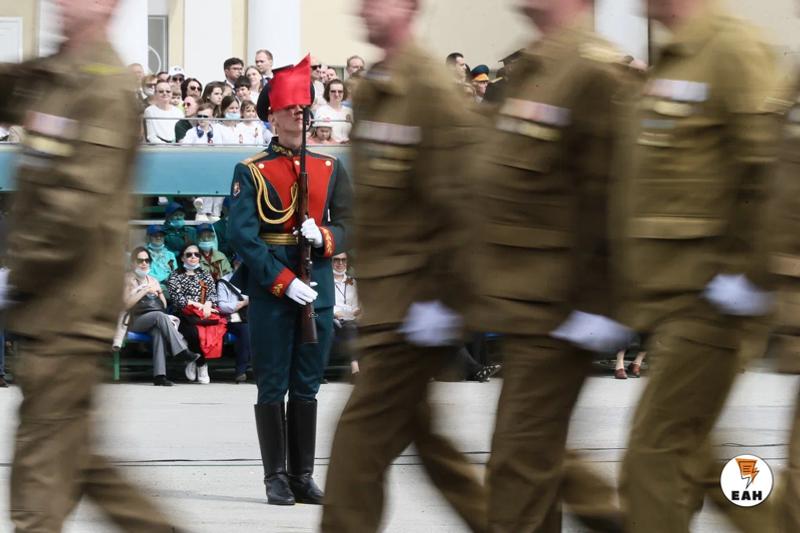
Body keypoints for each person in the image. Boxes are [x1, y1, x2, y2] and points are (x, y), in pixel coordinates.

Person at [0, 0, 179, 529]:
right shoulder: (57, 73)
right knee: (77, 457)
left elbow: (76, 207)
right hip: (50, 303)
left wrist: (20, 273)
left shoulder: (104, 89)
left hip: (69, 303)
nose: (61, 3)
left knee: (40, 471)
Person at [471, 0, 639, 531]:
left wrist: (598, 306)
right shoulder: (529, 69)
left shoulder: (594, 69)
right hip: (522, 304)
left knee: (518, 465)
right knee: (532, 463)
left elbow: (618, 192)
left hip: (562, 308)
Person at [320, 1, 486, 531]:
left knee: (355, 451)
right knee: (434, 450)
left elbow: (462, 207)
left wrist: (443, 303)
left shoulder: (432, 92)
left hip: (417, 309)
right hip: (385, 304)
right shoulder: (375, 89)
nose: (364, 9)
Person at [617, 1, 781, 532]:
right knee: (692, 457)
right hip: (672, 297)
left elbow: (771, 171)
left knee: (652, 455)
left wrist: (746, 279)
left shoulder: (731, 48)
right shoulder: (677, 55)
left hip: (711, 299)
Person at [228, 54, 353, 507]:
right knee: (272, 385)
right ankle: (275, 476)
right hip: (273, 291)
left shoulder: (329, 167)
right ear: (271, 115)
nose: (299, 113)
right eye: (289, 107)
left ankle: (302, 475)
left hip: (316, 286)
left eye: (304, 106)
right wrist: (282, 280)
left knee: (307, 385)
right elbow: (242, 237)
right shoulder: (251, 170)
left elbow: (351, 224)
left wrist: (324, 236)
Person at [124, 247, 200, 386]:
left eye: (147, 260)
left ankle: (160, 376)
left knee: (158, 331)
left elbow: (163, 305)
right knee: (160, 316)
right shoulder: (128, 279)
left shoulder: (153, 280)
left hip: (154, 318)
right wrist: (144, 290)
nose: (144, 263)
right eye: (140, 260)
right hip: (135, 320)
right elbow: (126, 304)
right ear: (133, 263)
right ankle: (182, 351)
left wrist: (159, 292)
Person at [166, 244, 223, 385]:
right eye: (189, 254)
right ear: (182, 258)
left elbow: (212, 294)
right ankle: (201, 363)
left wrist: (208, 305)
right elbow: (178, 299)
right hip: (183, 313)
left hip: (204, 313)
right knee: (193, 333)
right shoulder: (175, 275)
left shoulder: (205, 274)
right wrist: (199, 305)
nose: (193, 257)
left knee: (211, 331)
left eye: (196, 254)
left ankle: (194, 360)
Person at [217, 257, 252, 384]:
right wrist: (242, 303)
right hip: (233, 317)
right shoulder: (224, 281)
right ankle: (241, 371)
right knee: (245, 331)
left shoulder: (253, 279)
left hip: (252, 316)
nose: (240, 265)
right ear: (234, 264)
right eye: (238, 263)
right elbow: (222, 306)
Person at [332, 252, 360, 376]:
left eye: (343, 260)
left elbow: (356, 305)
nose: (340, 263)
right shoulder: (326, 281)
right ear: (331, 262)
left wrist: (356, 310)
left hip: (351, 318)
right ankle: (355, 366)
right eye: (336, 260)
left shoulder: (351, 281)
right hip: (333, 318)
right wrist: (336, 313)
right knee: (350, 326)